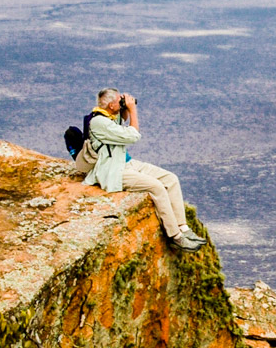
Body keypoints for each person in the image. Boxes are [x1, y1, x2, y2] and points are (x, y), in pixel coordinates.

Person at [76, 87, 207, 252]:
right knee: (157, 187)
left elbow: (120, 122)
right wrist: (133, 110)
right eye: (119, 101)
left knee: (170, 179)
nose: (122, 103)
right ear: (110, 105)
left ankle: (183, 227)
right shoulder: (98, 122)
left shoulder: (108, 115)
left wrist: (123, 109)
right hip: (112, 171)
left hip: (126, 163)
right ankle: (175, 236)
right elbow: (133, 135)